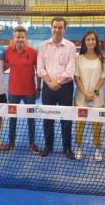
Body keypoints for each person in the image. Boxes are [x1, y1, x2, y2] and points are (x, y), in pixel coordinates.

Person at [37, 17, 76, 160]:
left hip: (65, 88)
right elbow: (40, 67)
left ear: (65, 29)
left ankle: (67, 148)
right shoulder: (43, 46)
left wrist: (57, 82)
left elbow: (70, 69)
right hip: (48, 88)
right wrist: (49, 82)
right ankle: (48, 145)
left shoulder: (71, 46)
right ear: (51, 28)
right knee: (48, 119)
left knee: (66, 119)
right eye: (55, 27)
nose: (57, 30)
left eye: (60, 28)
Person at [2, 26, 41, 154]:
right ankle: (11, 142)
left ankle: (32, 142)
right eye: (18, 37)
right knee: (12, 118)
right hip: (13, 92)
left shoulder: (33, 52)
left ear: (25, 38)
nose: (20, 39)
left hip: (29, 92)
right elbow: (5, 66)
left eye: (22, 37)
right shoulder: (7, 52)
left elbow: (38, 72)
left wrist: (38, 88)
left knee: (31, 118)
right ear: (14, 38)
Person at [74, 31, 105, 161]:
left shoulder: (102, 58)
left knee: (97, 125)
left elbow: (103, 77)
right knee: (79, 124)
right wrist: (85, 94)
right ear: (84, 42)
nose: (90, 42)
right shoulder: (78, 58)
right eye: (88, 39)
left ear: (96, 41)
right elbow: (76, 77)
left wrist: (93, 93)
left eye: (93, 39)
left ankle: (98, 149)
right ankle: (79, 147)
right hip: (80, 97)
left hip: (97, 98)